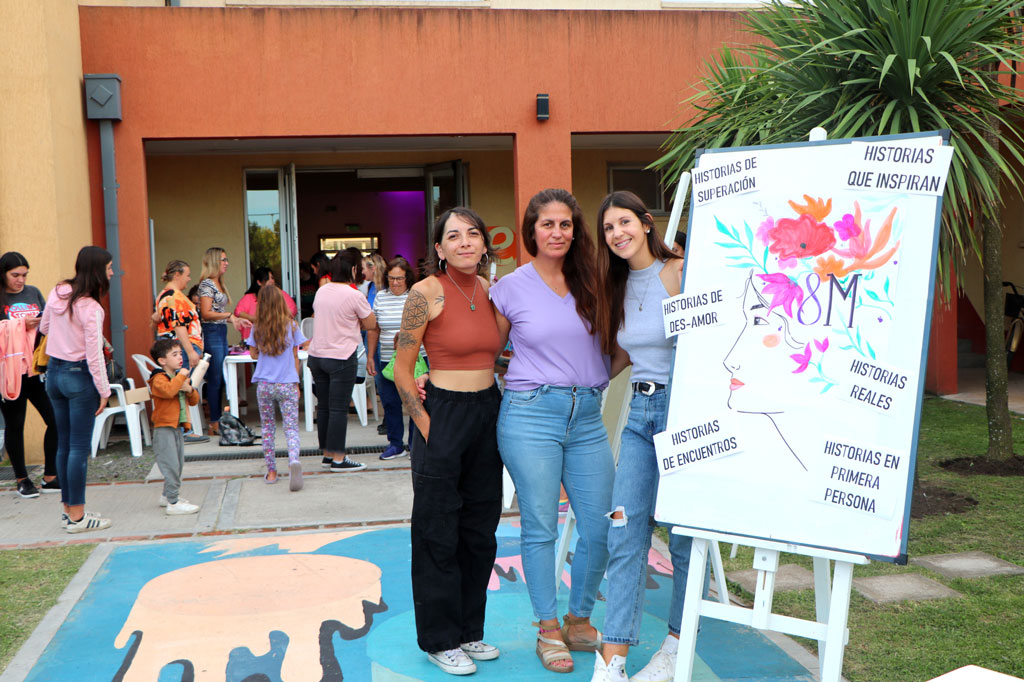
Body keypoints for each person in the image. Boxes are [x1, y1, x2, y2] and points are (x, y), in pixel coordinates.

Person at [490, 188, 613, 674]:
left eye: (565, 224)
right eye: (548, 224)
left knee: (602, 525)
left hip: (587, 417)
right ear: (532, 231)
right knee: (541, 526)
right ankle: (547, 628)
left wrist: (594, 379)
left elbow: (619, 344)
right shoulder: (510, 287)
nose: (557, 232)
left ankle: (578, 620)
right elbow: (487, 351)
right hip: (531, 414)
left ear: (576, 230)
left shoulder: (595, 280)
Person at [591, 191, 698, 682]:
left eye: (625, 222)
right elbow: (622, 356)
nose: (618, 233)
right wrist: (577, 381)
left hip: (683, 411)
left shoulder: (678, 272)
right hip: (639, 412)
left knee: (681, 538)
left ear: (646, 223)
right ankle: (612, 661)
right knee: (624, 531)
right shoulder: (615, 285)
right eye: (609, 227)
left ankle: (676, 646)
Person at [393, 207, 503, 676]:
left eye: (472, 234)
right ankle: (440, 639)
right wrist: (425, 425)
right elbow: (402, 367)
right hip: (443, 415)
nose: (464, 242)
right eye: (453, 236)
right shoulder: (425, 292)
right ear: (439, 248)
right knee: (437, 531)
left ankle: (469, 630)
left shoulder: (492, 291)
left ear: (484, 244)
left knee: (479, 530)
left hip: (488, 413)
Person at [40, 246, 113, 533]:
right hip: (78, 375)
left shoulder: (58, 291)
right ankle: (79, 517)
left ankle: (68, 512)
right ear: (97, 270)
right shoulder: (92, 307)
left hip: (54, 373)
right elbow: (94, 355)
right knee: (79, 448)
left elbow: (44, 327)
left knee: (64, 444)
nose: (111, 273)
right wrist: (104, 390)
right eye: (109, 268)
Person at [308, 252, 375, 472]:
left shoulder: (322, 290)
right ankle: (339, 458)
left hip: (317, 356)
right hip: (342, 357)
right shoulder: (354, 295)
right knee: (338, 409)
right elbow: (370, 323)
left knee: (324, 407)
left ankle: (327, 454)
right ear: (353, 270)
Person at [0, 252, 58, 497]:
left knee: (55, 419)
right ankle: (22, 479)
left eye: (24, 275)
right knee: (15, 424)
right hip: (9, 372)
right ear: (3, 274)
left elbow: (48, 321)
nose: (21, 280)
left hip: (36, 369)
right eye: (15, 275)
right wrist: (21, 325)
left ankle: (50, 476)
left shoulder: (33, 292)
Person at [247, 283, 307, 491]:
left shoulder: (257, 328)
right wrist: (296, 383)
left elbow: (253, 354)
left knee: (267, 428)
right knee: (291, 427)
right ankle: (293, 460)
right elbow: (296, 356)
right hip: (287, 383)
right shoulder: (292, 326)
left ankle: (272, 471)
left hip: (265, 384)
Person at [365, 257, 415, 460]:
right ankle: (396, 444)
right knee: (390, 402)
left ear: (407, 278)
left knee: (415, 402)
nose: (395, 282)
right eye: (391, 278)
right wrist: (370, 356)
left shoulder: (416, 296)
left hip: (414, 360)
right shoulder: (381, 297)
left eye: (399, 278)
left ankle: (416, 445)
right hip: (386, 358)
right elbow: (374, 329)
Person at [155, 260, 209, 444]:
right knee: (181, 387)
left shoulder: (165, 295)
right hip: (181, 347)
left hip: (175, 346)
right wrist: (190, 351)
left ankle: (183, 429)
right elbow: (179, 326)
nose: (189, 279)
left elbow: (159, 318)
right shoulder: (174, 296)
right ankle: (184, 431)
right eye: (187, 275)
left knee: (181, 387)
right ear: (177, 275)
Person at [197, 247, 249, 437]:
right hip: (211, 333)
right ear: (213, 262)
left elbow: (216, 315)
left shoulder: (219, 283)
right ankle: (214, 421)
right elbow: (206, 314)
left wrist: (235, 320)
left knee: (220, 378)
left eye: (227, 260)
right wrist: (229, 315)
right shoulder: (207, 284)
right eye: (223, 260)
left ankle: (217, 419)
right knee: (215, 378)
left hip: (219, 331)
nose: (226, 263)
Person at [147, 338, 201, 516]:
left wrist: (189, 389)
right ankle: (173, 502)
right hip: (164, 428)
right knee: (170, 465)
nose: (180, 358)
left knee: (177, 464)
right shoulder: (158, 378)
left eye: (180, 354)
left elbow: (194, 401)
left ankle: (166, 496)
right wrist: (182, 377)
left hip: (177, 427)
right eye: (175, 354)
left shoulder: (178, 378)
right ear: (162, 360)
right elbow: (169, 391)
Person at [233, 267, 297, 341]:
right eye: (267, 279)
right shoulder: (249, 297)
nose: (271, 281)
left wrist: (275, 319)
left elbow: (292, 310)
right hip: (254, 339)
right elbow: (238, 312)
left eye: (272, 278)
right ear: (259, 282)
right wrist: (254, 319)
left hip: (279, 338)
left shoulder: (280, 294)